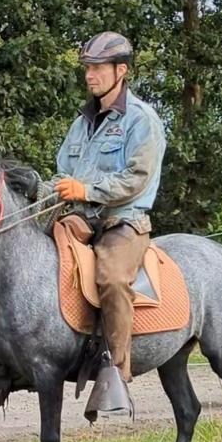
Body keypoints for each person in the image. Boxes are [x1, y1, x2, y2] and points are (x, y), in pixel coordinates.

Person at [53, 31, 166, 385]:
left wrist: (86, 189)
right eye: (87, 68)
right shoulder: (82, 122)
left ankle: (117, 372)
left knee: (113, 279)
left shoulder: (141, 119)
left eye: (98, 67)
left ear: (121, 71)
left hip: (124, 223)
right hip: (79, 219)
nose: (90, 75)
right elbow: (62, 171)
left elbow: (137, 178)